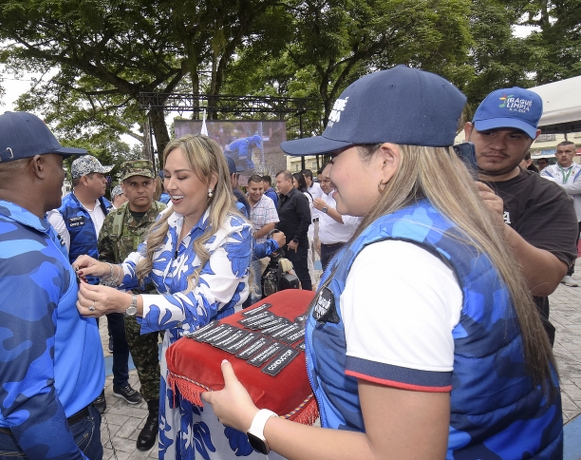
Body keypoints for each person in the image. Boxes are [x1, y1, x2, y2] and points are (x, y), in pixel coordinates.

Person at [204, 65, 562, 459]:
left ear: (387, 161)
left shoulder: (395, 261)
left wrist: (254, 421)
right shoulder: (445, 222)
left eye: (336, 155)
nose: (328, 172)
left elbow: (399, 454)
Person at [72, 134, 256, 459]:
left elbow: (200, 303)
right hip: (174, 359)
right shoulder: (171, 216)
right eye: (167, 175)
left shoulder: (233, 231)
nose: (170, 185)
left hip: (215, 368)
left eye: (182, 176)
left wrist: (127, 303)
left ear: (211, 179)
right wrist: (106, 269)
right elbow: (141, 261)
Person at [0, 111, 104, 459]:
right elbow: (27, 394)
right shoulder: (19, 255)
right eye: (59, 164)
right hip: (50, 434)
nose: (62, 175)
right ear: (39, 166)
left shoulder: (15, 229)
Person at [464, 87, 577, 346]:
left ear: (533, 138)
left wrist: (498, 230)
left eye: (514, 135)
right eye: (488, 132)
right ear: (469, 131)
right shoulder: (435, 183)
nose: (498, 144)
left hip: (513, 344)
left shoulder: (549, 197)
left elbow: (544, 282)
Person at [49, 154, 142, 410]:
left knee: (122, 336)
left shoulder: (109, 208)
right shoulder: (61, 213)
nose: (105, 180)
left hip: (115, 285)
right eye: (100, 175)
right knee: (89, 341)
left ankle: (121, 382)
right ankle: (95, 390)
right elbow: (61, 260)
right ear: (84, 179)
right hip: (84, 291)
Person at [97, 159, 167, 451]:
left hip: (171, 304)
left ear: (154, 184)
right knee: (146, 363)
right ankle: (154, 415)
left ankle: (179, 412)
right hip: (132, 305)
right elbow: (105, 261)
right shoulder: (113, 220)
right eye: (133, 184)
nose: (141, 190)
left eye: (146, 183)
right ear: (123, 187)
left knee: (178, 356)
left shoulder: (169, 216)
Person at [541, 140, 581, 286]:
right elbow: (544, 186)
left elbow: (578, 187)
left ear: (574, 153)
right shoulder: (547, 170)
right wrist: (568, 187)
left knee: (572, 245)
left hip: (576, 214)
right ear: (556, 154)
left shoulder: (579, 169)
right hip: (553, 214)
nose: (563, 155)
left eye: (568, 151)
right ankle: (552, 272)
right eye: (560, 152)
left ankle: (568, 273)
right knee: (550, 243)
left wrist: (557, 186)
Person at [312, 161, 362, 268]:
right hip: (326, 247)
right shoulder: (324, 196)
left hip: (341, 246)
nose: (322, 185)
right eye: (320, 181)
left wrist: (325, 208)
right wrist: (320, 239)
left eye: (326, 181)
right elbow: (324, 222)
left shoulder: (345, 196)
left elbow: (346, 220)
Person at [275, 170, 312, 291]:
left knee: (302, 275)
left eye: (279, 182)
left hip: (296, 246)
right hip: (284, 245)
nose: (277, 185)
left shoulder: (298, 197)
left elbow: (305, 220)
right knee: (288, 276)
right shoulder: (282, 198)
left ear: (289, 181)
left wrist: (296, 240)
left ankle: (307, 302)